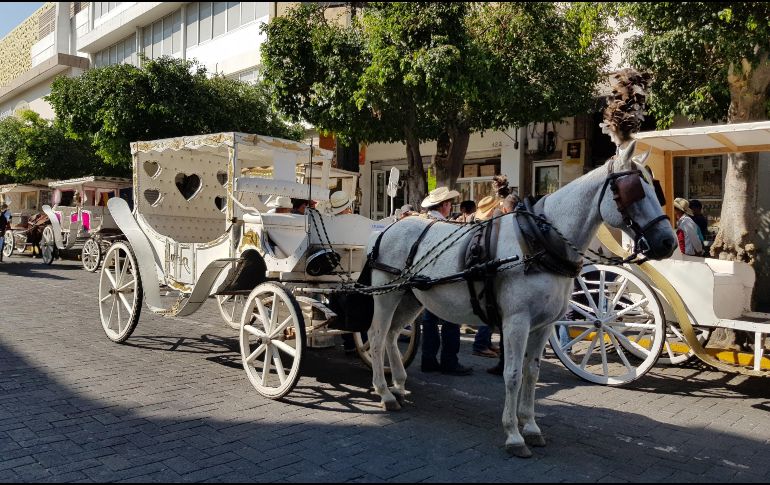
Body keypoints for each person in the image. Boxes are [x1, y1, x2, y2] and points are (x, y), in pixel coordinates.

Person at [419, 187, 472, 375]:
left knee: (429, 319)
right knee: (451, 318)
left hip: (424, 277)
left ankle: (428, 359)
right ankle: (449, 361)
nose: (451, 208)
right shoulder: (443, 226)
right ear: (444, 205)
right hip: (442, 277)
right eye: (450, 204)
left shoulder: (424, 221)